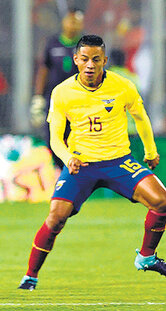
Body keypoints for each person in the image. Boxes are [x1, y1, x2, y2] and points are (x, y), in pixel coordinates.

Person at [19, 35, 166, 291]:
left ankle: (146, 257)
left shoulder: (122, 86)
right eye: (84, 59)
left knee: (162, 201)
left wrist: (150, 151)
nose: (90, 65)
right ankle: (30, 276)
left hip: (119, 161)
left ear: (104, 61)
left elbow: (140, 117)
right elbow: (54, 137)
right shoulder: (62, 92)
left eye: (96, 59)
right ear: (76, 60)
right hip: (81, 165)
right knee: (56, 217)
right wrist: (68, 158)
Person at [31, 8, 84, 169]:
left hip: (77, 102)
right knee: (53, 137)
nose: (72, 25)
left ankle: (75, 174)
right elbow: (43, 70)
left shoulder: (84, 45)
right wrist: (38, 97)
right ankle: (59, 170)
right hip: (53, 101)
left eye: (76, 21)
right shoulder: (52, 43)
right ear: (64, 22)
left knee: (76, 139)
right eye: (70, 20)